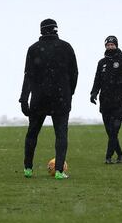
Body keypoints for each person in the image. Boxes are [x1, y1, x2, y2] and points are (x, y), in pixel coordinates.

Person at [19, 18, 78, 180]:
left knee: (32, 133)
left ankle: (28, 168)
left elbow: (28, 76)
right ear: (56, 30)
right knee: (61, 135)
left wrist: (24, 99)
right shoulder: (66, 47)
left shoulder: (34, 49)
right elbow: (74, 74)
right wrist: (69, 92)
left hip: (39, 98)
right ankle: (59, 171)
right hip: (61, 98)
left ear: (41, 31)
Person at [90, 35, 122, 164]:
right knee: (110, 131)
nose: (110, 47)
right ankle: (120, 155)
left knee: (114, 130)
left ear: (116, 45)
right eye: (108, 45)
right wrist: (94, 92)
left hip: (120, 102)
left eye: (112, 45)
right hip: (105, 102)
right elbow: (97, 79)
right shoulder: (102, 63)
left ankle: (108, 157)